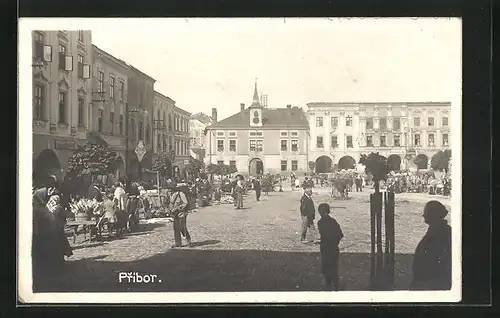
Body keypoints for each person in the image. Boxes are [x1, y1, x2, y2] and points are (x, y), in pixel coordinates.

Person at [410, 200, 452, 290]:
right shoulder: (437, 229)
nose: (423, 215)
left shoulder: (441, 232)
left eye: (426, 212)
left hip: (431, 283)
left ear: (434, 215)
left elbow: (435, 260)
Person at [317, 203, 344, 291]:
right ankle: (336, 285)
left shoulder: (320, 222)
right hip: (334, 248)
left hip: (325, 248)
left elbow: (324, 235)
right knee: (334, 267)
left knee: (326, 266)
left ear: (320, 212)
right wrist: (335, 243)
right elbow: (340, 234)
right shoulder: (333, 221)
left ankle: (328, 284)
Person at [169, 184, 192, 248]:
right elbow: (171, 203)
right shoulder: (172, 195)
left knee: (182, 227)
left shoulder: (181, 194)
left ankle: (188, 241)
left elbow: (185, 203)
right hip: (175, 214)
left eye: (171, 189)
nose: (170, 190)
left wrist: (178, 208)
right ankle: (178, 243)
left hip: (181, 213)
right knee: (176, 228)